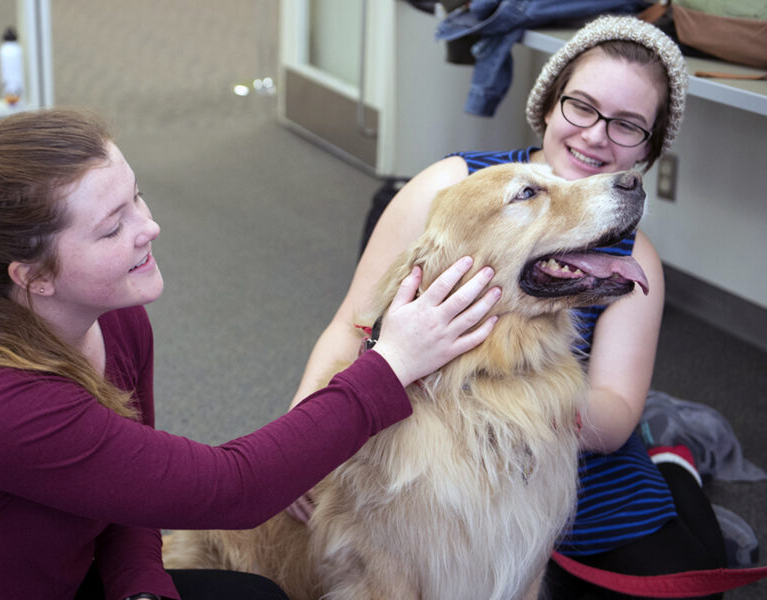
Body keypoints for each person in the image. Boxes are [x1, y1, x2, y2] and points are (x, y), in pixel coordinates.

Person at [0, 108, 502, 600]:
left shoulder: (114, 324)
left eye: (136, 197)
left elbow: (128, 494)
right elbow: (230, 488)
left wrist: (141, 588)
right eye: (113, 226)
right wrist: (390, 363)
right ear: (33, 276)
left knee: (249, 596)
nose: (150, 227)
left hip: (57, 579)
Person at [290, 15, 727, 600]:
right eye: (582, 107)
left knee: (694, 584)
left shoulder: (632, 258)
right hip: (438, 425)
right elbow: (353, 326)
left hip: (578, 455)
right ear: (549, 105)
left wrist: (524, 403)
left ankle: (676, 464)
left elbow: (616, 409)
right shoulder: (449, 188)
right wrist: (300, 438)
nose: (596, 136)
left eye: (627, 125)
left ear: (647, 149)